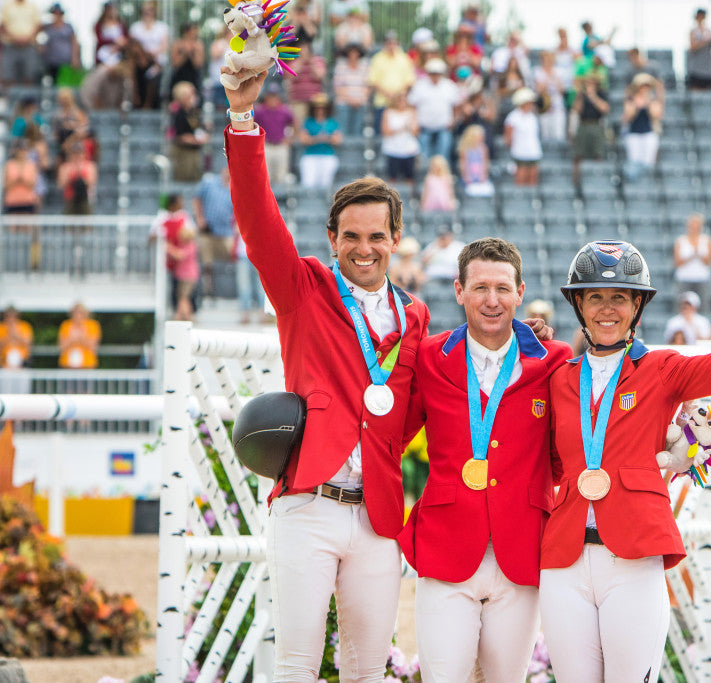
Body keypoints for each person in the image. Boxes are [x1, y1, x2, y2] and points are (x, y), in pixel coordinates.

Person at [222, 67, 432, 681]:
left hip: (377, 514)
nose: (363, 249)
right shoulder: (304, 287)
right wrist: (242, 119)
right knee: (296, 662)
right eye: (350, 237)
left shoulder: (414, 315)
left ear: (395, 239)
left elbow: (419, 404)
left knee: (368, 667)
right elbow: (257, 220)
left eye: (376, 237)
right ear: (332, 239)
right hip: (309, 503)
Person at [538, 239, 711, 682]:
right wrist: (526, 337)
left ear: (637, 305)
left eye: (619, 297)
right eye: (595, 297)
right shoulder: (558, 377)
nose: (607, 309)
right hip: (564, 562)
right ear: (579, 305)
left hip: (634, 558)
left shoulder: (662, 368)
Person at [399, 238, 570, 682]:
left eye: (501, 288)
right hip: (445, 546)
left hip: (522, 549)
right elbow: (393, 437)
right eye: (479, 288)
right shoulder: (430, 357)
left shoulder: (554, 360)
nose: (491, 300)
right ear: (459, 291)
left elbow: (567, 450)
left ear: (519, 291)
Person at [193, 167, 235, 298]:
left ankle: (233, 292)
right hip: (208, 231)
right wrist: (199, 218)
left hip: (226, 232)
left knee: (238, 256)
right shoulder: (210, 183)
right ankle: (208, 290)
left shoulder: (235, 187)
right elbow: (197, 198)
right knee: (207, 262)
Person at [408, 59, 461, 162]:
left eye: (437, 73)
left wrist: (454, 121)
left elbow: (456, 106)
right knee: (424, 159)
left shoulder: (449, 86)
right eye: (433, 73)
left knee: (443, 159)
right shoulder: (420, 86)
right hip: (424, 129)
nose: (435, 76)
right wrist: (414, 124)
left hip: (444, 129)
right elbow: (412, 106)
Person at [367, 30, 417, 132]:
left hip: (400, 104)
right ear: (385, 44)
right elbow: (373, 81)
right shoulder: (377, 59)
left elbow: (409, 81)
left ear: (397, 43)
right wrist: (389, 95)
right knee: (381, 132)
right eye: (389, 42)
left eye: (393, 42)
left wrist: (397, 96)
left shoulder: (404, 58)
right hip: (382, 102)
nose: (391, 45)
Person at [128, 1, 169, 109]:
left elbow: (164, 46)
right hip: (139, 61)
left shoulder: (161, 27)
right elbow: (133, 46)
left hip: (156, 61)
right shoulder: (136, 27)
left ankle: (150, 105)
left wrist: (152, 55)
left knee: (153, 78)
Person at [571, 73, 610, 185]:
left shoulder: (601, 94)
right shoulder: (581, 95)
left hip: (596, 125)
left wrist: (593, 97)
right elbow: (576, 110)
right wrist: (581, 96)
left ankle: (596, 179)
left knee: (597, 153)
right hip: (583, 124)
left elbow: (605, 109)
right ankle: (577, 181)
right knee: (579, 155)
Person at [622, 74, 663, 179]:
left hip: (648, 133)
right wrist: (636, 104)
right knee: (634, 161)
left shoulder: (653, 101)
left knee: (648, 162)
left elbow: (656, 115)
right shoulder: (631, 101)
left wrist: (647, 102)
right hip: (634, 134)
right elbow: (628, 117)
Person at [254, 82, 295, 186]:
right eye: (270, 96)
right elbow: (252, 124)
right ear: (266, 96)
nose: (272, 98)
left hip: (281, 145)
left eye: (274, 96)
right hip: (266, 145)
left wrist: (289, 138)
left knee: (281, 176)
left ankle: (279, 201)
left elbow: (294, 123)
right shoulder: (260, 110)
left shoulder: (284, 110)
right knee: (265, 176)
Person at [298, 94, 343, 189]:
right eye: (318, 108)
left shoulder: (332, 122)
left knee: (326, 184)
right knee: (308, 184)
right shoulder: (308, 121)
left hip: (327, 155)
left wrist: (315, 138)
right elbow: (304, 139)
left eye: (323, 108)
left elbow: (337, 140)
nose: (320, 110)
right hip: (311, 156)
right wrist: (322, 138)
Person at [169, 81, 208, 183]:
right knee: (184, 178)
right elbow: (179, 136)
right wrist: (195, 140)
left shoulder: (194, 112)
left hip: (195, 151)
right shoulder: (178, 113)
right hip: (183, 152)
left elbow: (200, 128)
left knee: (196, 177)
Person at [380, 92, 420, 189]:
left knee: (409, 177)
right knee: (392, 177)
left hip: (408, 149)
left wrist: (411, 126)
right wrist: (401, 128)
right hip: (392, 149)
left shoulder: (411, 112)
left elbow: (416, 132)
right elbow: (385, 131)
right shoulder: (388, 112)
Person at [673, 213, 711, 304]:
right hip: (684, 277)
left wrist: (698, 255)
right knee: (683, 304)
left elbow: (709, 261)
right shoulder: (681, 240)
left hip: (702, 277)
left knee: (704, 305)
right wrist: (691, 256)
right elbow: (677, 262)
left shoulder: (706, 240)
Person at [505, 88, 543, 186]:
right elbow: (508, 138)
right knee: (521, 179)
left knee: (533, 178)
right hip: (520, 152)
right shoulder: (513, 117)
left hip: (533, 151)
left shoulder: (533, 117)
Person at [0, 0, 42, 86]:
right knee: (8, 76)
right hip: (10, 46)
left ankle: (27, 98)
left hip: (29, 46)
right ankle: (8, 98)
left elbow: (39, 25)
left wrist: (27, 38)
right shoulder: (7, 6)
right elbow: (2, 25)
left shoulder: (32, 6)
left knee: (29, 76)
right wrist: (13, 37)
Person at [333, 43, 370, 138]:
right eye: (351, 53)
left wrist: (359, 100)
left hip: (360, 103)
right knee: (343, 130)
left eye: (355, 53)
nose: (353, 55)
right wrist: (351, 100)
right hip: (344, 102)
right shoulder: (341, 66)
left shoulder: (365, 66)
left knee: (358, 131)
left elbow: (368, 86)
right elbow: (338, 88)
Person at [40, 4, 80, 83]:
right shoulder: (48, 27)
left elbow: (74, 42)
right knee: (53, 82)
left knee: (65, 83)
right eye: (54, 13)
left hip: (66, 61)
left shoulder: (68, 27)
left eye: (59, 13)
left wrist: (75, 58)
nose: (57, 15)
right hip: (51, 61)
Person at [534, 51, 567, 141]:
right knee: (545, 134)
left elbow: (562, 90)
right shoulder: (538, 71)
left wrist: (554, 78)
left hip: (557, 107)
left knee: (558, 134)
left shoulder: (559, 71)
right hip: (544, 107)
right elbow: (539, 90)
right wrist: (547, 78)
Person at [56, 142, 97, 215]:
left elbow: (92, 182)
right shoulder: (65, 167)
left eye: (79, 153)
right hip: (70, 199)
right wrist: (72, 176)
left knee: (86, 222)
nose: (77, 156)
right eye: (74, 153)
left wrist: (80, 174)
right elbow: (61, 184)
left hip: (85, 199)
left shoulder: (90, 166)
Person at [58, 303, 101, 369]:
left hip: (87, 365)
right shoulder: (66, 325)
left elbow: (93, 346)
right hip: (67, 365)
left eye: (80, 313)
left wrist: (79, 337)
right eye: (75, 313)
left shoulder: (92, 325)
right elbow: (62, 347)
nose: (78, 316)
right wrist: (74, 339)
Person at [3, 140, 41, 216]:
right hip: (12, 201)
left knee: (27, 225)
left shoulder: (31, 165)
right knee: (12, 225)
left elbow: (33, 185)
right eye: (20, 149)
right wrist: (17, 181)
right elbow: (6, 185)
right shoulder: (9, 164)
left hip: (28, 200)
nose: (22, 152)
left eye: (24, 149)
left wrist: (21, 181)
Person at [169, 21, 205, 100]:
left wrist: (192, 52)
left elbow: (198, 64)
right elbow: (175, 64)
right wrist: (184, 52)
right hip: (179, 77)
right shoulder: (177, 43)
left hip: (193, 77)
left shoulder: (198, 44)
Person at [457, 124, 494, 197]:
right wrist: (466, 177)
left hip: (481, 175)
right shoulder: (464, 149)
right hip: (468, 176)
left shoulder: (484, 148)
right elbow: (463, 164)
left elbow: (485, 163)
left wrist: (484, 176)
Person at [686, 9, 711, 90]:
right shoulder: (693, 31)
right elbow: (692, 47)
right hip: (696, 70)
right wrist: (706, 40)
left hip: (708, 70)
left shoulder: (709, 31)